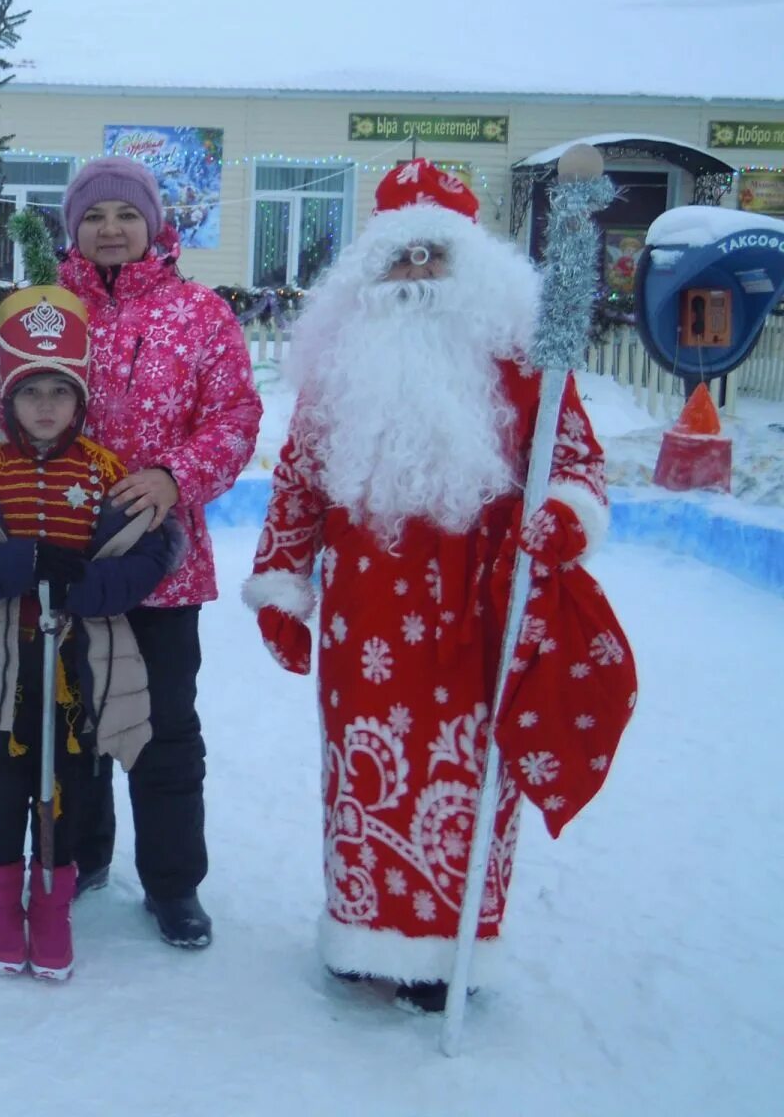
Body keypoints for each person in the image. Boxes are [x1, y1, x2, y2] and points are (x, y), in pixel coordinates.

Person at [244, 158, 637, 1014]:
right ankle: (362, 932)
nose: (416, 272)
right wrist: (281, 583)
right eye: (401, 257)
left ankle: (452, 951)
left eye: (434, 256)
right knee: (362, 773)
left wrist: (567, 515)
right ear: (371, 270)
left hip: (478, 606)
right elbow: (300, 483)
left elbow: (574, 459)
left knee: (470, 775)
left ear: (468, 266)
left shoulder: (526, 362)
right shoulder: (342, 367)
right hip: (365, 615)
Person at [0, 156, 260, 948]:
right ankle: (78, 854)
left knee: (162, 729)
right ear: (73, 227)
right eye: (94, 216)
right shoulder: (43, 311)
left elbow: (236, 416)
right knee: (66, 724)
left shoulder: (199, 314)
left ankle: (174, 884)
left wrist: (173, 475)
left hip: (158, 563)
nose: (111, 229)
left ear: (154, 223)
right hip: (55, 561)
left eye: (126, 214)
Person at [0, 283, 181, 980]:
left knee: (71, 785)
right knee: (6, 787)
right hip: (1, 664)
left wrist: (91, 586)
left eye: (61, 392)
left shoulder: (105, 473)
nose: (47, 406)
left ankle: (51, 908)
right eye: (32, 393)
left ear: (80, 401)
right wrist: (21, 561)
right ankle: (0, 905)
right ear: (8, 401)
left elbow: (150, 551)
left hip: (79, 667)